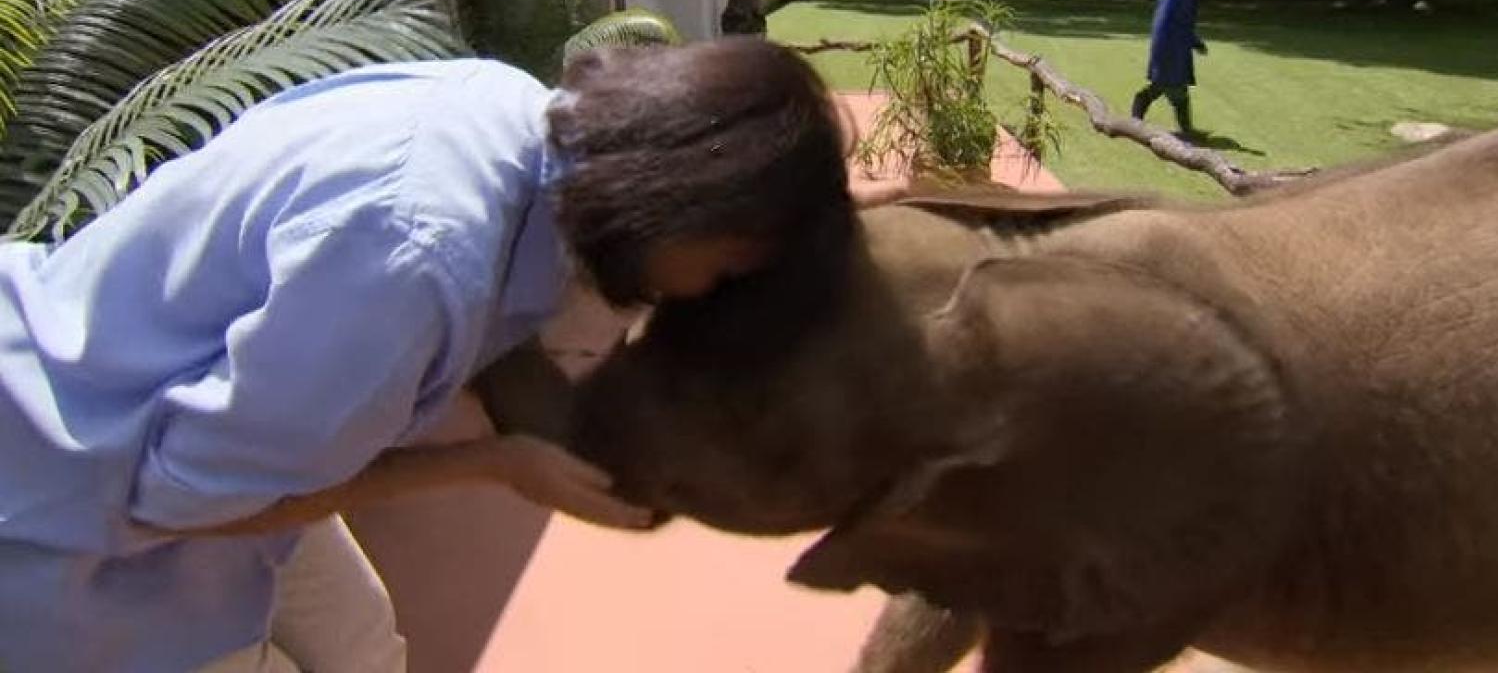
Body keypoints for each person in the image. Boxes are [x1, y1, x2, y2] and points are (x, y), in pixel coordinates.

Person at [0, 38, 858, 672]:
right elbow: (180, 501)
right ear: (677, 206)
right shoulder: (416, 264)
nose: (709, 292)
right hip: (78, 507)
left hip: (203, 431)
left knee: (363, 648)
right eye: (726, 269)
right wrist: (493, 464)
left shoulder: (517, 114)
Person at [1131, 0, 1215, 138]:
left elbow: (1184, 23)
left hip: (1178, 50)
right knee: (1176, 91)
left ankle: (1137, 118)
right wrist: (1162, 56)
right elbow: (1161, 25)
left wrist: (1195, 42)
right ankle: (1185, 131)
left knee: (1163, 88)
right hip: (1170, 51)